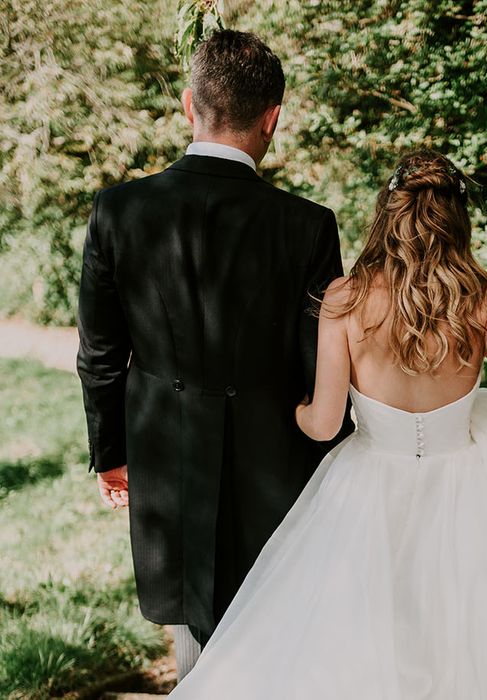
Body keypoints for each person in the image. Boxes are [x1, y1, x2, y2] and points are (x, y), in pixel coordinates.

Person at [168, 150, 487, 698]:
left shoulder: (346, 299)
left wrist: (294, 410)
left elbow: (322, 424)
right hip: (469, 489)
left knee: (349, 635)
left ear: (387, 214)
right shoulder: (484, 297)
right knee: (479, 638)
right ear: (457, 219)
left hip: (368, 485)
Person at [75, 29, 353, 679]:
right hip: (278, 467)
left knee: (199, 639)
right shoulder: (307, 225)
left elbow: (99, 354)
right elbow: (321, 367)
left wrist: (110, 454)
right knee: (277, 628)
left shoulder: (117, 211)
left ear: (187, 105)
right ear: (273, 117)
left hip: (166, 461)